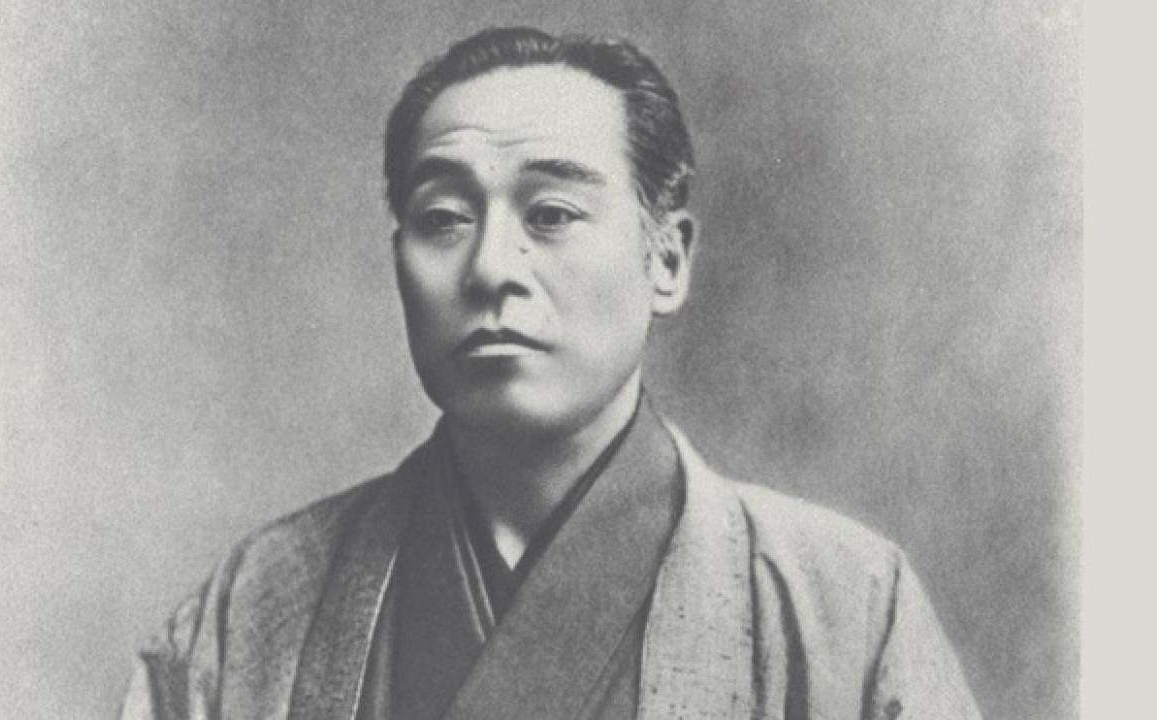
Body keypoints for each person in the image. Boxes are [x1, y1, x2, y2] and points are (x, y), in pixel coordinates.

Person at [120, 27, 981, 720]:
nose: (493, 267)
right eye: (444, 217)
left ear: (667, 259)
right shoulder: (254, 609)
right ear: (399, 259)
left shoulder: (845, 607)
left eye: (552, 213)